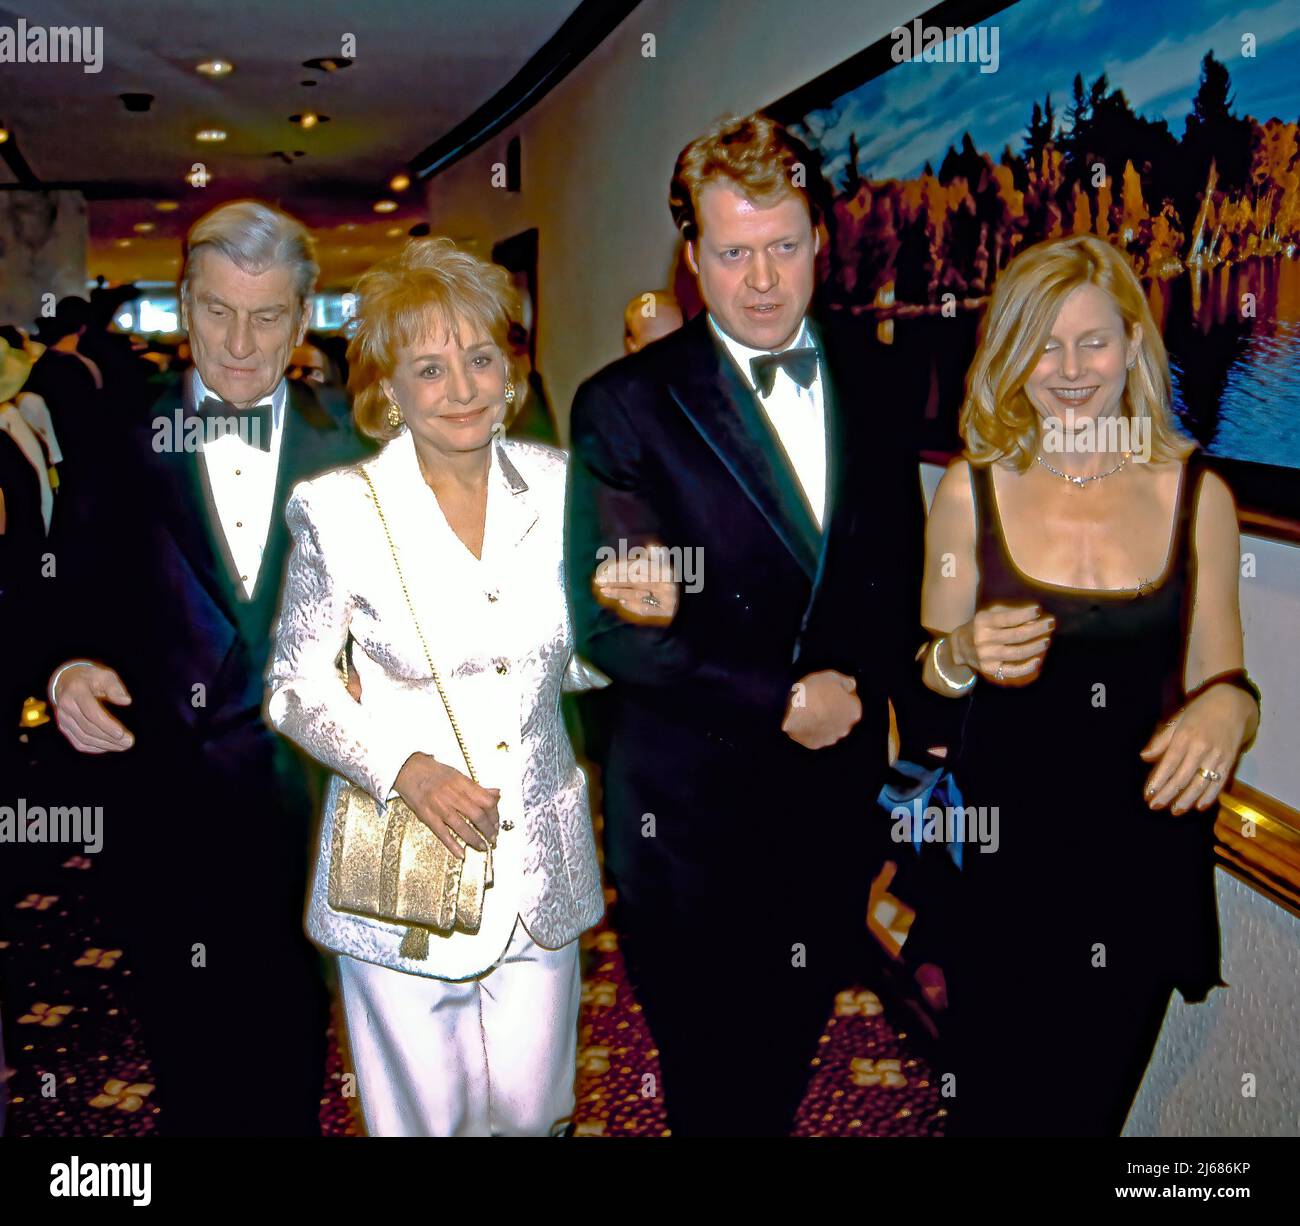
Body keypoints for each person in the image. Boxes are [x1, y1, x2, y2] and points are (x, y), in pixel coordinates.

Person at [566, 112, 932, 1136]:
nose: (762, 280)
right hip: (690, 823)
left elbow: (885, 573)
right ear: (692, 258)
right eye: (733, 253)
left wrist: (907, 717)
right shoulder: (624, 406)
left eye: (783, 247)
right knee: (711, 1082)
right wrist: (779, 701)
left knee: (780, 1067)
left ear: (820, 237)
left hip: (830, 812)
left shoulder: (878, 372)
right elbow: (615, 630)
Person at [267, 238, 637, 1137]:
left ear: (509, 373)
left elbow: (572, 660)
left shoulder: (560, 487)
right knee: (422, 1122)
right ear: (387, 390)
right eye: (430, 369)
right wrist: (406, 767)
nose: (464, 388)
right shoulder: (338, 509)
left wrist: (630, 626)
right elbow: (293, 685)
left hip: (538, 857)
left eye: (480, 359)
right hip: (402, 859)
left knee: (533, 1113)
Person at [919, 234, 1258, 1136]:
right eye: (1043, 343)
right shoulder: (969, 491)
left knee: (1090, 1113)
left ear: (1134, 347)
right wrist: (958, 653)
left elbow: (1221, 676)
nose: (1070, 370)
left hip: (1138, 877)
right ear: (1010, 354)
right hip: (1001, 874)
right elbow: (920, 692)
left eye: (1094, 342)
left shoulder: (1197, 496)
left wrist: (1233, 704)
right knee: (992, 1113)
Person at [43, 201, 366, 1136]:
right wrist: (67, 670)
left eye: (266, 317)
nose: (238, 341)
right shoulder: (115, 434)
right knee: (188, 1071)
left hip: (309, 815)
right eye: (217, 310)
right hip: (164, 818)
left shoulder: (355, 446)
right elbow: (62, 585)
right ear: (184, 305)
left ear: (303, 322)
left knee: (296, 1062)